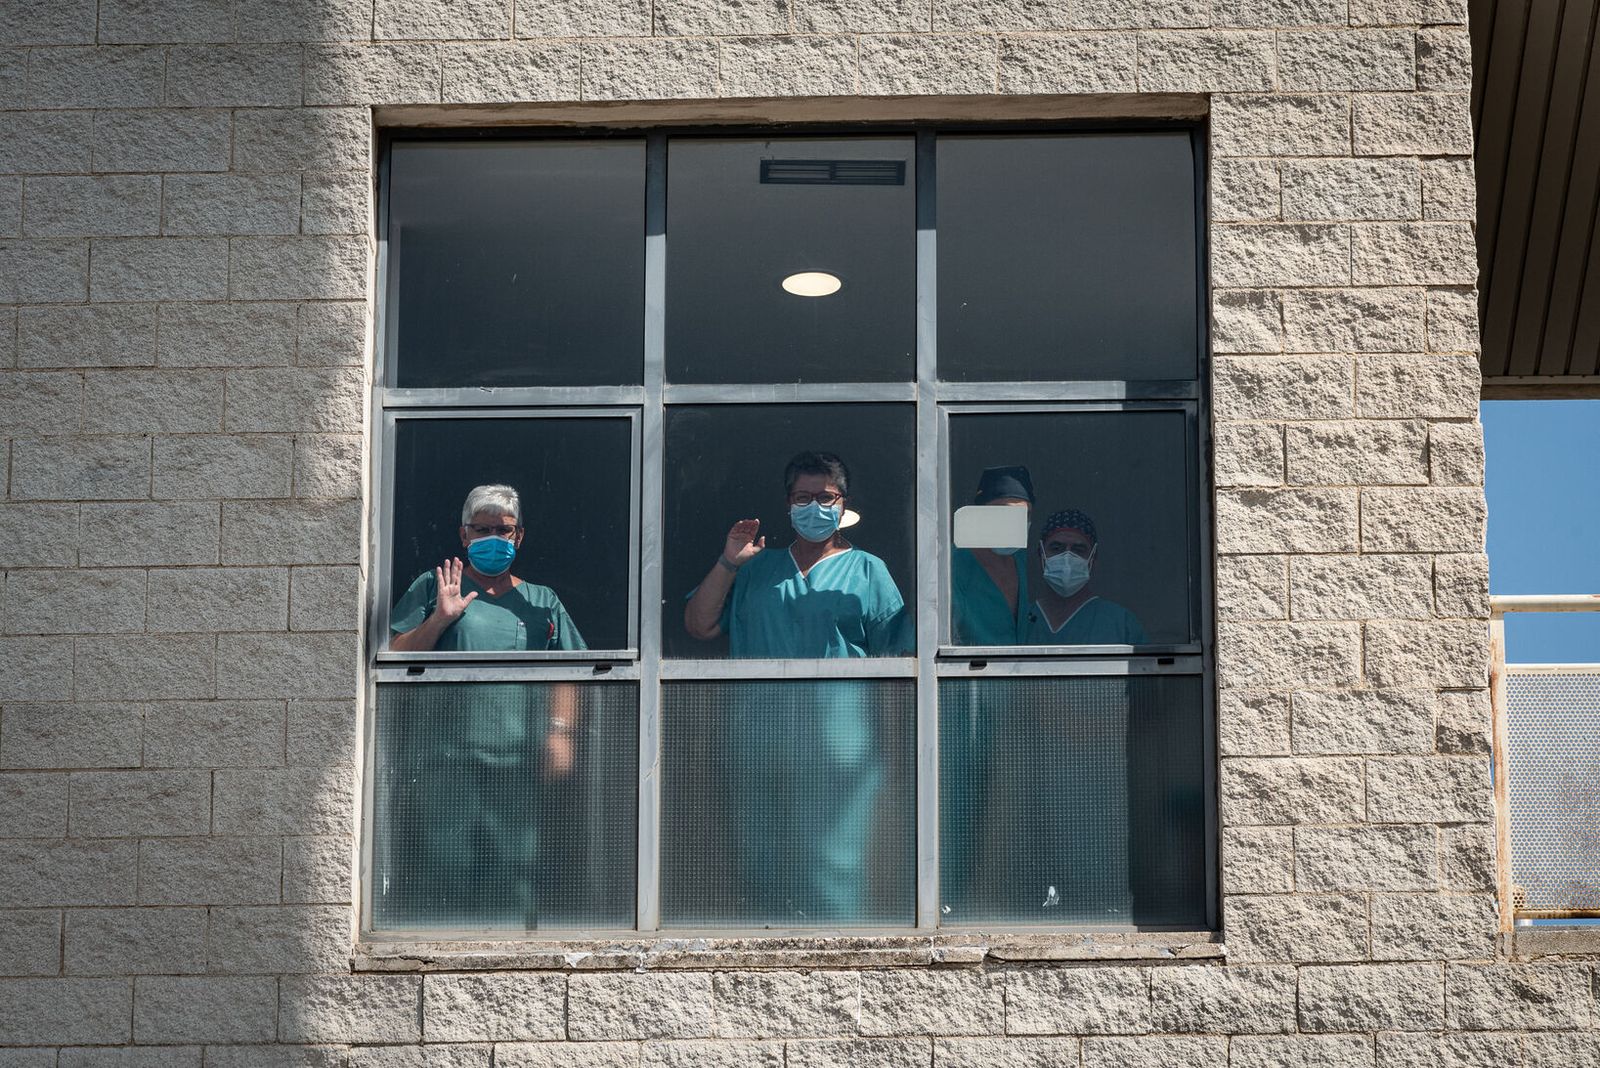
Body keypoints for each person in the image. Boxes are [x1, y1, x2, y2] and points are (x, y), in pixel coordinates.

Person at [683, 451, 910, 922]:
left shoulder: (868, 571)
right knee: (761, 857)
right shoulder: (757, 570)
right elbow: (700, 626)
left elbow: (899, 664)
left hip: (840, 747)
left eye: (824, 497)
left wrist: (897, 746)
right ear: (787, 504)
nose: (814, 507)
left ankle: (841, 970)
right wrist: (728, 562)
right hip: (759, 738)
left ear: (843, 502)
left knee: (835, 861)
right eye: (803, 497)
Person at [385, 484, 585, 929]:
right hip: (445, 759)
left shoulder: (541, 601)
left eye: (504, 530)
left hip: (516, 760)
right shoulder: (436, 585)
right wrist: (441, 618)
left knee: (514, 870)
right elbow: (394, 653)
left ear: (520, 537)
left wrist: (559, 731)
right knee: (446, 866)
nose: (494, 538)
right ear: (463, 535)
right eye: (483, 529)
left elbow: (570, 670)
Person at [942, 465, 1033, 917]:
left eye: (1020, 516)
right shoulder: (950, 567)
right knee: (959, 818)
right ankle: (953, 905)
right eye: (1000, 514)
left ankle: (1007, 907)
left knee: (1014, 821)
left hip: (1020, 717)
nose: (1010, 527)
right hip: (961, 715)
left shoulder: (1026, 564)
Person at [1024, 509, 1147, 646]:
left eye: (1078, 549)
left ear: (1092, 560)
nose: (1067, 558)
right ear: (1041, 554)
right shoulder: (1022, 621)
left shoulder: (1120, 624)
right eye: (1056, 548)